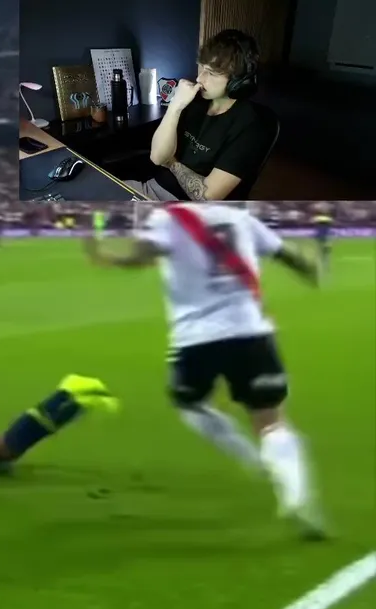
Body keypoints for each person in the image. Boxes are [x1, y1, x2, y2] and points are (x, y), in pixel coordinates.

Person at [83, 201, 325, 537]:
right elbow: (290, 256)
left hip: (196, 338)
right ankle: (297, 496)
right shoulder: (241, 218)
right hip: (251, 332)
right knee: (270, 419)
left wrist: (108, 257)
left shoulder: (168, 217)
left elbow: (144, 253)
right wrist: (312, 269)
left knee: (190, 403)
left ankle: (250, 458)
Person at [133, 30, 273, 201]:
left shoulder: (251, 126)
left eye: (211, 73)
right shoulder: (194, 100)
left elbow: (208, 196)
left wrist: (172, 163)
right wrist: (175, 106)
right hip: (150, 190)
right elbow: (157, 157)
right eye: (202, 67)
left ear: (237, 81)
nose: (200, 78)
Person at [311, 202, 334, 275]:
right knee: (326, 252)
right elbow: (331, 223)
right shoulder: (328, 219)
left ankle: (320, 266)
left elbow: (313, 221)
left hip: (319, 236)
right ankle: (326, 266)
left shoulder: (317, 218)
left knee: (320, 251)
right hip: (326, 236)